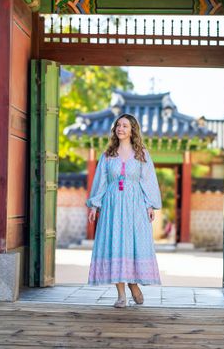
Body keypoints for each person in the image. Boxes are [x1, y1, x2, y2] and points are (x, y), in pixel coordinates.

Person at [86, 113, 162, 308]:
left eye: (125, 126)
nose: (120, 128)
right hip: (112, 206)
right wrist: (94, 205)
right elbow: (100, 182)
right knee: (115, 246)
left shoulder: (141, 154)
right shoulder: (107, 155)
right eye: (118, 125)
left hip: (135, 206)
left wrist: (150, 204)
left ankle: (133, 284)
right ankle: (121, 295)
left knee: (133, 245)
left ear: (132, 130)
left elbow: (148, 180)